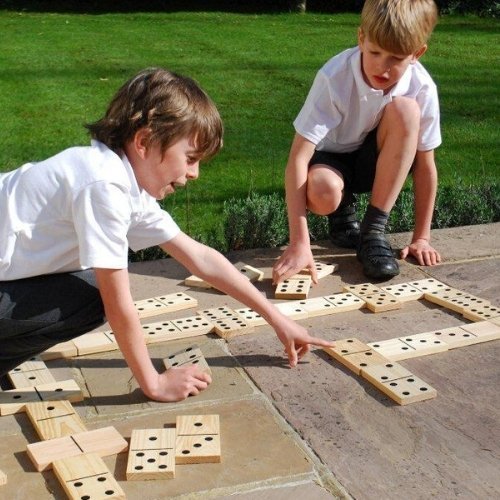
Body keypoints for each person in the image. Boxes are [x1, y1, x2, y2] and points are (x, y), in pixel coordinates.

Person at [0, 68, 332, 402]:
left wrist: (277, 319)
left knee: (88, 288)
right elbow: (119, 302)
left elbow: (201, 258)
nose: (195, 173)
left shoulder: (121, 183)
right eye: (190, 158)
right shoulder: (103, 187)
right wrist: (154, 383)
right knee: (96, 292)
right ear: (143, 142)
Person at [273, 0, 442, 284]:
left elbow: (425, 165)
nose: (382, 67)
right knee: (323, 191)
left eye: (396, 58)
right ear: (361, 38)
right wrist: (299, 243)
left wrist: (421, 238)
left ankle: (373, 232)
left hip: (376, 162)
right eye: (375, 52)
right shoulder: (334, 77)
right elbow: (298, 159)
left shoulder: (422, 87)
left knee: (406, 111)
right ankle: (340, 213)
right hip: (330, 160)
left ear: (417, 54)